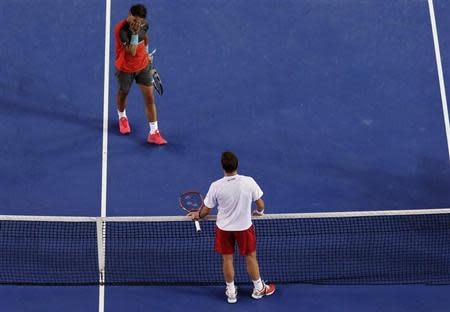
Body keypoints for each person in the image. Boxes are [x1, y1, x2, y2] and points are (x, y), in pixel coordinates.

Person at [189, 151, 275, 303]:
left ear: (223, 167)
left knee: (227, 259)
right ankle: (258, 288)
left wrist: (198, 215)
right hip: (244, 228)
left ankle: (231, 292)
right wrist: (259, 212)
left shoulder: (216, 186)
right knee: (250, 257)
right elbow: (260, 204)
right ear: (237, 165)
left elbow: (206, 210)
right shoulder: (248, 182)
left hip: (224, 229)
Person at [114, 4, 167, 145]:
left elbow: (145, 38)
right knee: (123, 93)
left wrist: (147, 53)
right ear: (129, 14)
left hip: (143, 66)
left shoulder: (144, 25)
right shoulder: (121, 30)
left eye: (140, 21)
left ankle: (154, 132)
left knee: (150, 99)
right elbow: (131, 52)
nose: (137, 23)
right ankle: (122, 117)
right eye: (135, 20)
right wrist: (135, 33)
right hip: (125, 68)